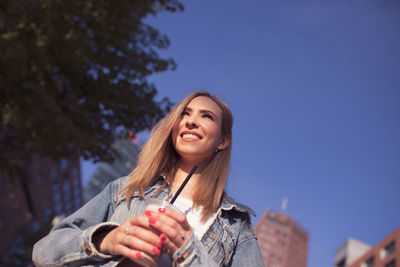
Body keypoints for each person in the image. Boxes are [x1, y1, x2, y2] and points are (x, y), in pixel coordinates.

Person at [33, 91, 264, 267]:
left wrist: (188, 250)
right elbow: (43, 252)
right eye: (185, 113)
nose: (190, 121)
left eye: (207, 116)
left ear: (223, 141)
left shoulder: (236, 225)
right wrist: (107, 240)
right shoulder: (127, 187)